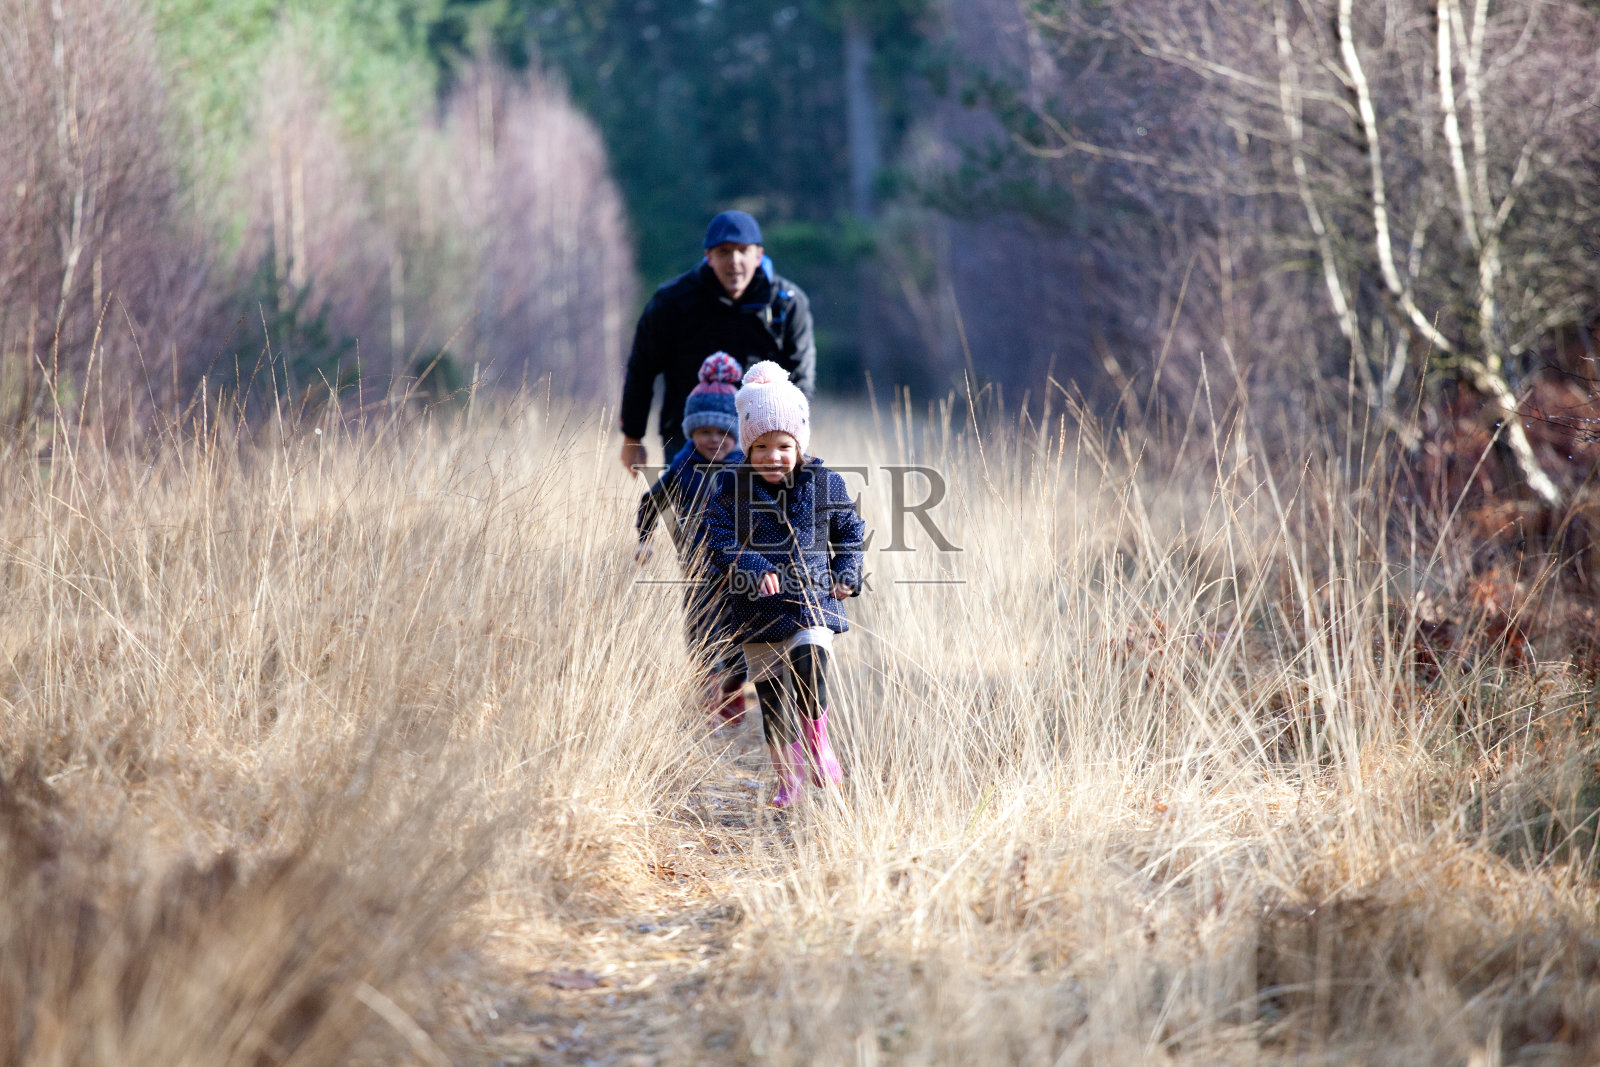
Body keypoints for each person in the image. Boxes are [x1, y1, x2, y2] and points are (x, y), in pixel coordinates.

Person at [697, 361, 867, 807]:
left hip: (813, 602)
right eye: (763, 446)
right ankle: (786, 778)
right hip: (757, 610)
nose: (774, 456)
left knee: (811, 660)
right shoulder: (732, 489)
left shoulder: (824, 483)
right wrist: (752, 565)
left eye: (784, 445)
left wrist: (846, 572)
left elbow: (850, 532)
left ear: (799, 444)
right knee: (771, 699)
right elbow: (719, 540)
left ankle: (818, 745)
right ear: (748, 448)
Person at [618, 210, 815, 472]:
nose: (734, 261)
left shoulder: (787, 304)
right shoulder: (672, 303)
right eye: (723, 252)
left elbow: (800, 380)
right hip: (688, 441)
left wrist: (792, 439)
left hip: (761, 443)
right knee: (689, 513)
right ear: (708, 257)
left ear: (758, 255)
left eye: (742, 251)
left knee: (758, 513)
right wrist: (633, 437)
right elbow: (641, 370)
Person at [636, 354, 749, 724]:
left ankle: (733, 690)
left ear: (736, 434)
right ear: (691, 432)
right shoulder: (683, 467)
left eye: (723, 433)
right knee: (700, 632)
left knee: (737, 633)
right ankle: (706, 695)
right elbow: (651, 502)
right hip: (697, 565)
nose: (713, 440)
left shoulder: (747, 468)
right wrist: (645, 538)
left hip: (740, 568)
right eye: (704, 432)